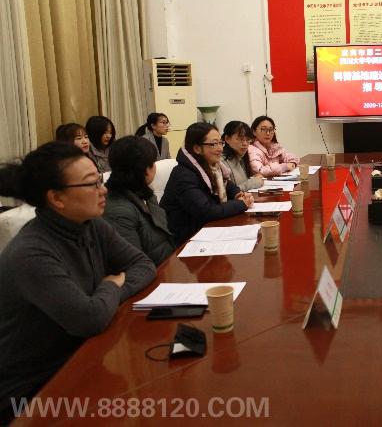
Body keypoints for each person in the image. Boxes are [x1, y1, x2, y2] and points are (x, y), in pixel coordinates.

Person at [0, 142, 156, 423]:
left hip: (83, 356)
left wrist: (105, 296)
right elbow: (89, 319)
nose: (103, 190)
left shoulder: (90, 224)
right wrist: (110, 286)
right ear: (56, 198)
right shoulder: (31, 253)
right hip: (33, 392)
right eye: (92, 184)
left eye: (100, 180)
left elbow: (143, 265)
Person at [160, 122, 254, 244]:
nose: (220, 149)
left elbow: (228, 185)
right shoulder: (183, 175)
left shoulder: (213, 167)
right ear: (197, 148)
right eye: (214, 144)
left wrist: (238, 194)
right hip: (187, 239)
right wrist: (241, 204)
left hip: (208, 230)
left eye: (220, 143)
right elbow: (207, 211)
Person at [103, 136, 175, 266]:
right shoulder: (118, 211)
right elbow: (134, 264)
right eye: (153, 163)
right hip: (156, 272)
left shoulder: (145, 193)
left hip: (169, 262)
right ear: (145, 170)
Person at [221, 121, 264, 191]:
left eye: (248, 139)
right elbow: (229, 192)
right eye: (240, 139)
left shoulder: (240, 157)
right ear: (227, 139)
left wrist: (253, 178)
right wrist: (254, 182)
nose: (245, 143)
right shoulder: (221, 161)